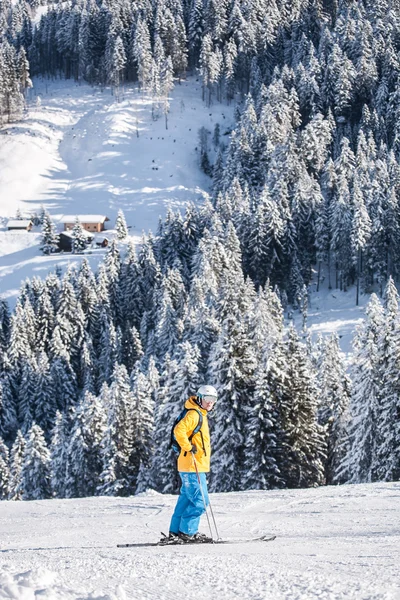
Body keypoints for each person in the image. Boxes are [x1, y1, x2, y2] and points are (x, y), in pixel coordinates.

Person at [168, 384, 217, 543]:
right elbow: (179, 430)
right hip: (192, 465)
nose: (210, 403)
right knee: (201, 501)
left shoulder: (199, 413)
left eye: (213, 400)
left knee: (187, 499)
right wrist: (188, 447)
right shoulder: (194, 415)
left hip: (191, 465)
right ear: (200, 398)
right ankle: (187, 532)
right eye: (208, 399)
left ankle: (175, 532)